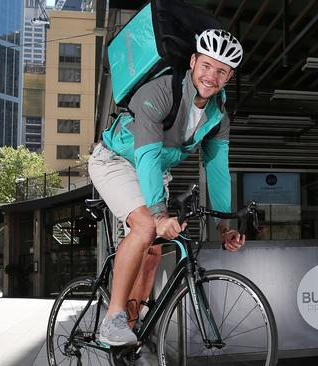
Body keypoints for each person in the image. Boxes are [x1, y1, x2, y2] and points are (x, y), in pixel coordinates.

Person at [88, 29, 245, 346]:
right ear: (193, 62)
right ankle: (113, 317)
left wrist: (225, 225)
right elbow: (145, 154)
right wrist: (158, 214)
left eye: (221, 71)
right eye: (206, 66)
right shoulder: (159, 91)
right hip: (116, 159)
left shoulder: (217, 117)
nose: (211, 76)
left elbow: (217, 170)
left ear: (229, 77)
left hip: (153, 167)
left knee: (153, 252)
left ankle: (128, 329)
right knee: (146, 227)